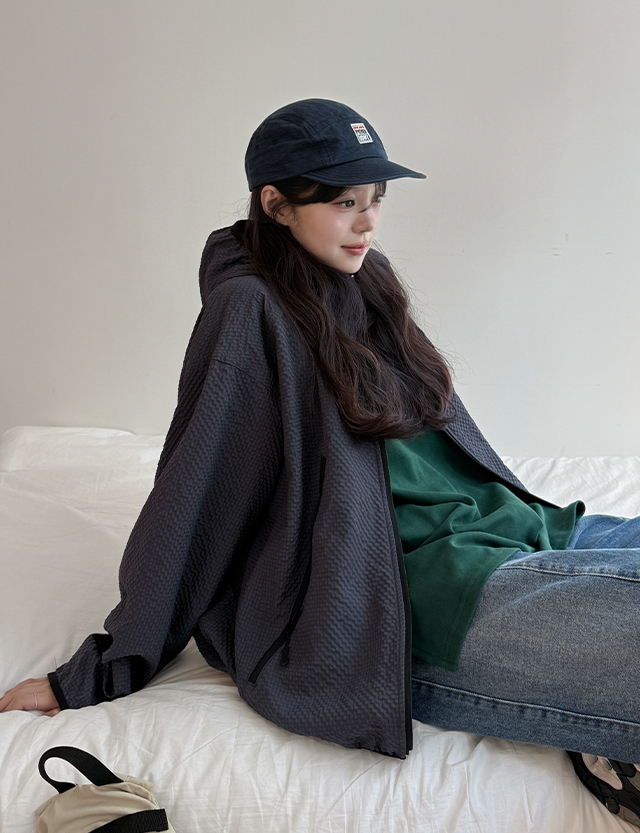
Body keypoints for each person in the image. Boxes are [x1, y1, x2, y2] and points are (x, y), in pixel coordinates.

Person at [2, 98, 640, 821]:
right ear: (275, 204)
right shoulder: (247, 310)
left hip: (505, 526)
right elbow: (198, 491)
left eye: (375, 200)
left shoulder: (365, 278)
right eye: (343, 203)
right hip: (406, 585)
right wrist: (107, 664)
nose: (368, 223)